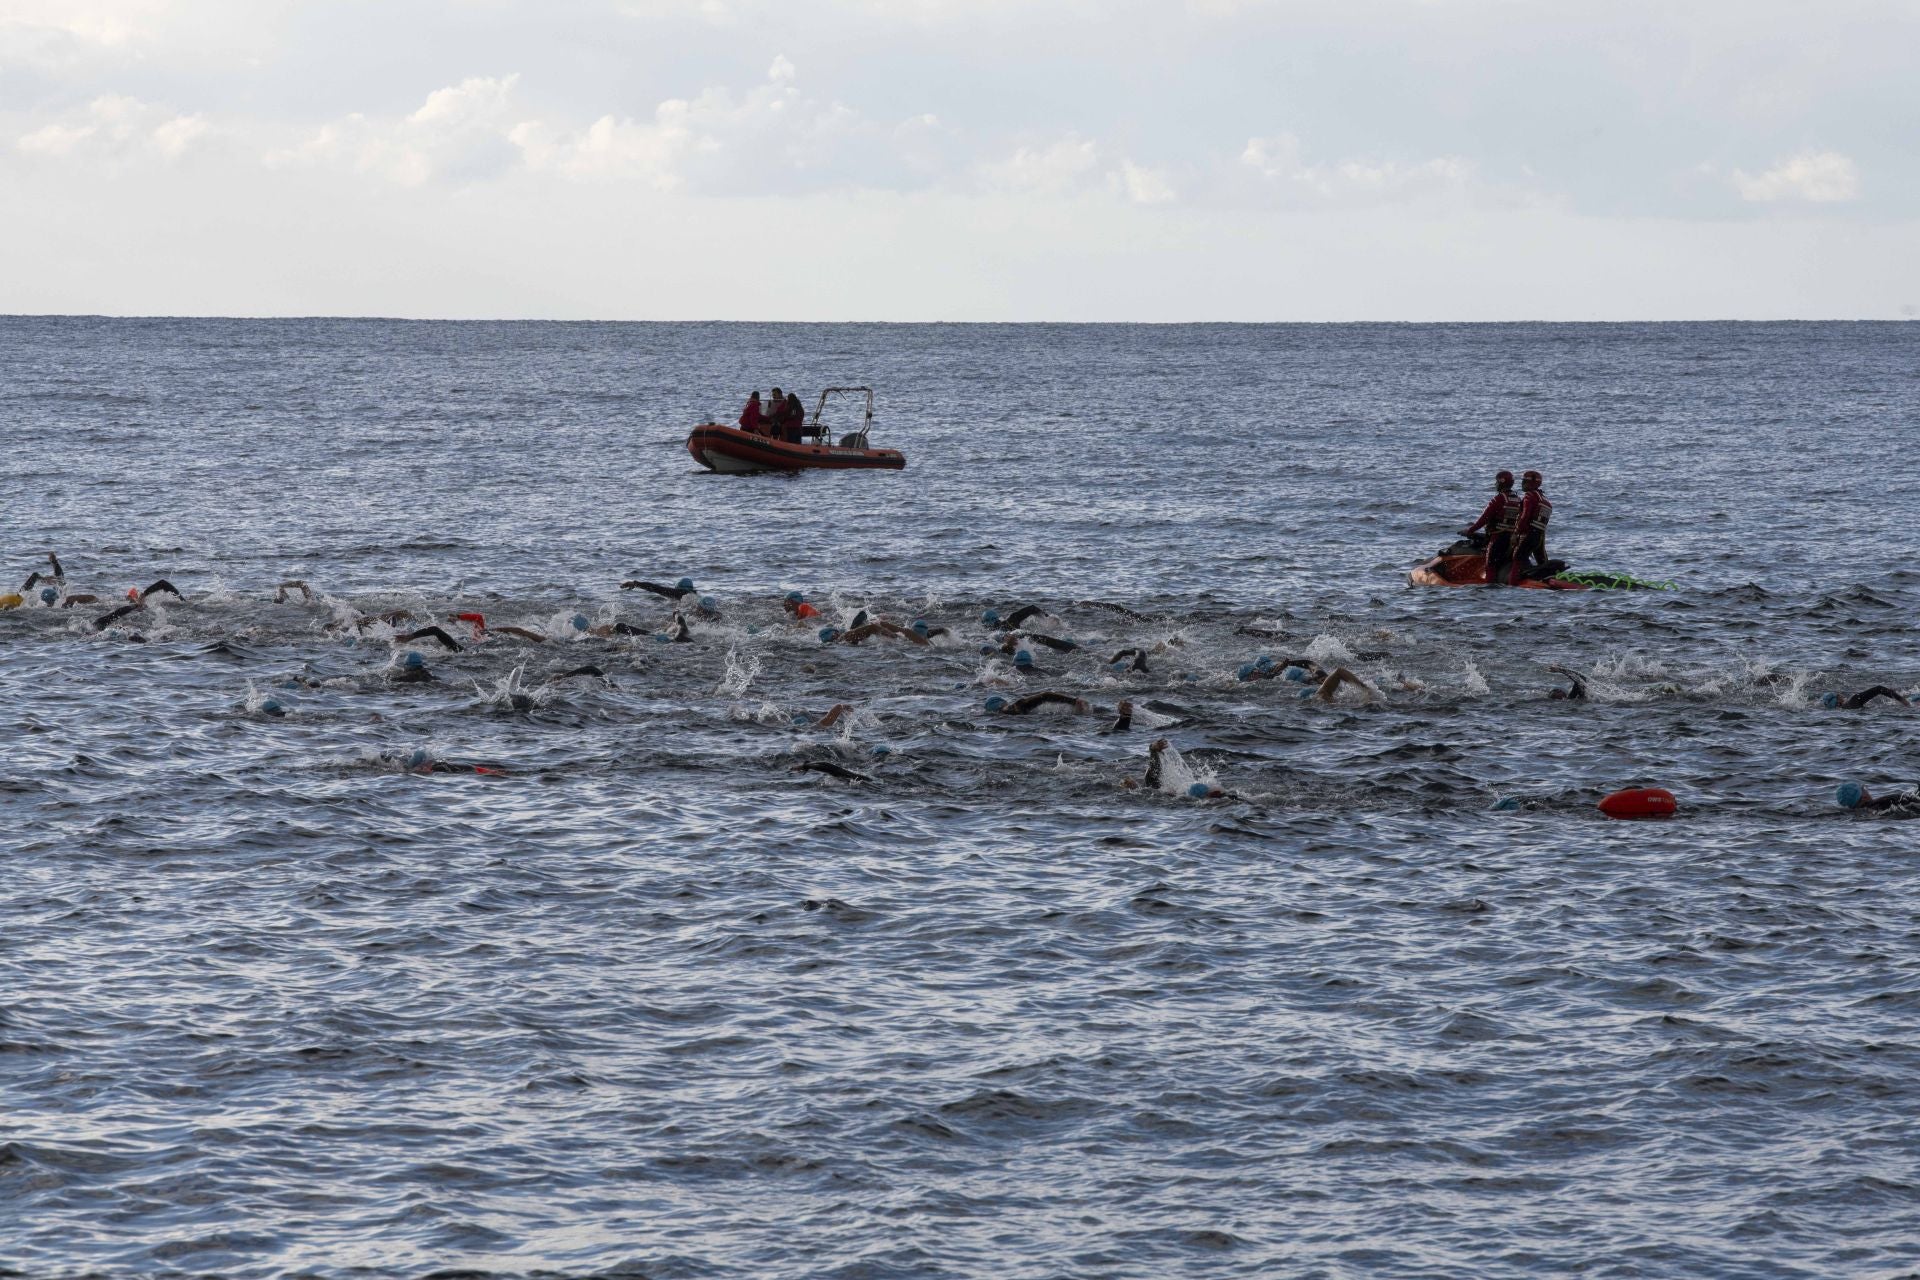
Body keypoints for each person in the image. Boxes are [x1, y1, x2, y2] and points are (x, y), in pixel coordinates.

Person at [1461, 471, 1518, 586]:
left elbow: (1484, 519)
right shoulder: (1518, 499)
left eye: (1496, 482)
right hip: (1512, 539)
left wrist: (1469, 531)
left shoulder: (1498, 499)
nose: (1495, 484)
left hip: (1498, 537)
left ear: (1501, 483)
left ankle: (1490, 586)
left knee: (1490, 565)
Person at [1508, 470, 1554, 586]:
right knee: (1542, 561)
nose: (1522, 484)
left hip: (1529, 534)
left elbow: (1525, 516)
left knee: (1517, 558)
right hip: (1539, 536)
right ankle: (1549, 579)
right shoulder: (1545, 500)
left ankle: (1512, 586)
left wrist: (1516, 533)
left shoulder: (1530, 496)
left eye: (1524, 481)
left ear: (1531, 483)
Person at [1836, 782, 1920, 815]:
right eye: (1864, 789)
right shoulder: (1888, 800)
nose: (1867, 790)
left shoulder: (1864, 813)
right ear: (1864, 797)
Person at [1819, 686, 1909, 710]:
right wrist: (1901, 700)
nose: (1841, 695)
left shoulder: (1846, 707)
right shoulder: (1853, 700)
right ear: (1838, 700)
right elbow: (1879, 689)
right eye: (1838, 695)